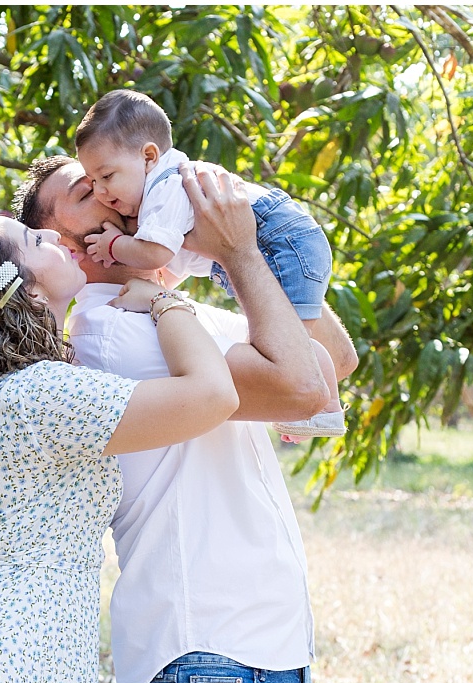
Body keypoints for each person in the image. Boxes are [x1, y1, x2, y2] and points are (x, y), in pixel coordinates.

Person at [14, 156, 340, 683]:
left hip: (255, 649)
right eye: (92, 190)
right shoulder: (122, 334)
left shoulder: (163, 311)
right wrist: (238, 252)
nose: (119, 194)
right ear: (69, 247)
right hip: (209, 658)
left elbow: (331, 362)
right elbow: (301, 387)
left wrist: (268, 241)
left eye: (115, 177)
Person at [0, 209, 239, 683]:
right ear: (27, 291)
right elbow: (214, 396)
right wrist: (157, 296)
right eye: (35, 240)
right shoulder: (43, 394)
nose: (55, 237)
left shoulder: (1, 392)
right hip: (9, 667)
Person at [73, 89, 347, 438]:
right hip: (286, 242)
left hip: (280, 242)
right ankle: (314, 406)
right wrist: (153, 289)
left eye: (106, 177)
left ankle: (319, 411)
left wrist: (115, 244)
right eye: (91, 183)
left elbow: (156, 254)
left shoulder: (166, 188)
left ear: (148, 156)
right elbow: (172, 266)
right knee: (285, 343)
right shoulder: (164, 196)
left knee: (282, 346)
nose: (101, 192)